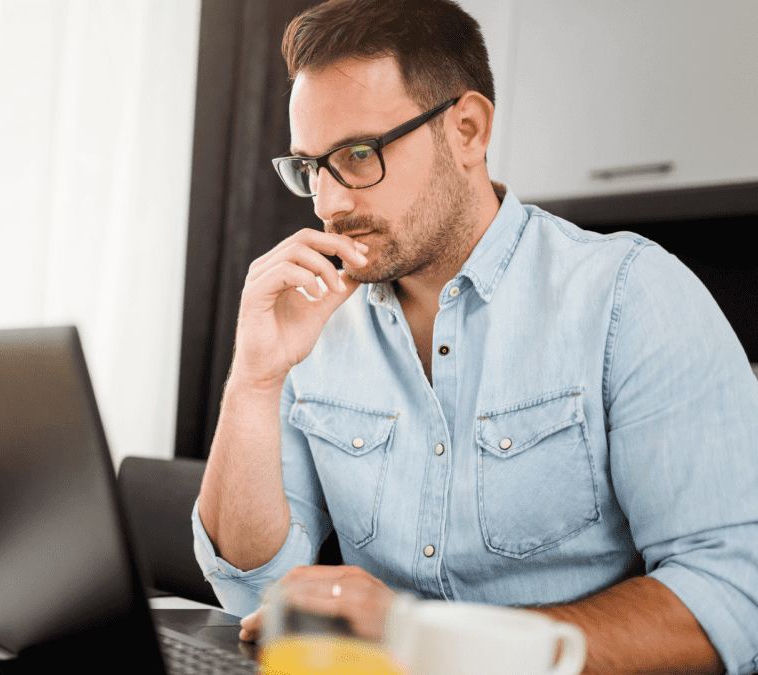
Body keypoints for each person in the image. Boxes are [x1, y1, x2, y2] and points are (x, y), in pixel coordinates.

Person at [190, 1, 758, 673]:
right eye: (312, 166)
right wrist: (254, 376)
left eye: (359, 154)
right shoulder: (313, 322)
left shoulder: (631, 296)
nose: (329, 203)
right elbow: (253, 590)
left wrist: (426, 637)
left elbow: (731, 596)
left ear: (467, 129)